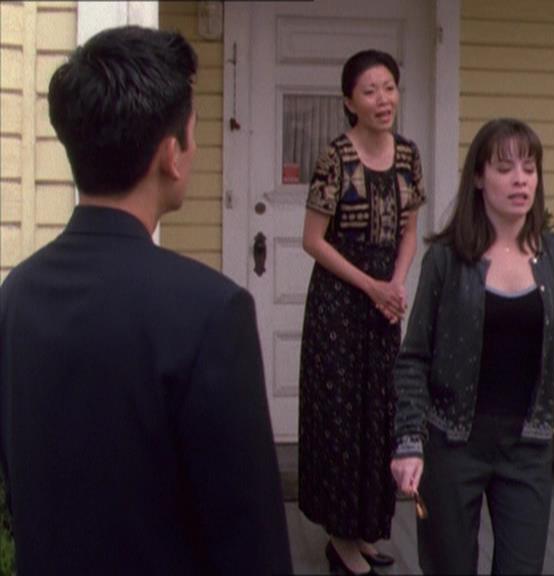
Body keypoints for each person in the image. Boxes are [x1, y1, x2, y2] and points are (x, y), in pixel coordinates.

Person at [0, 26, 292, 576]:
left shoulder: (17, 293)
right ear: (170, 155)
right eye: (193, 134)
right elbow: (250, 535)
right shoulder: (211, 311)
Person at [390, 118, 554, 575]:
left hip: (528, 446)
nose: (520, 180)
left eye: (529, 169)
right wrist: (409, 442)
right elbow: (414, 358)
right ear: (478, 177)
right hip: (453, 444)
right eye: (505, 168)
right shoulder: (446, 259)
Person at [298, 49, 426, 575]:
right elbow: (312, 240)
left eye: (389, 87)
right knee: (339, 418)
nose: (382, 99)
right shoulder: (335, 157)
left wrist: (395, 283)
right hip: (338, 303)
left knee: (378, 415)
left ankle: (365, 529)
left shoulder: (408, 156)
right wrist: (371, 285)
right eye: (370, 91)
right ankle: (339, 537)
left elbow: (410, 231)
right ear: (350, 101)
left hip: (383, 305)